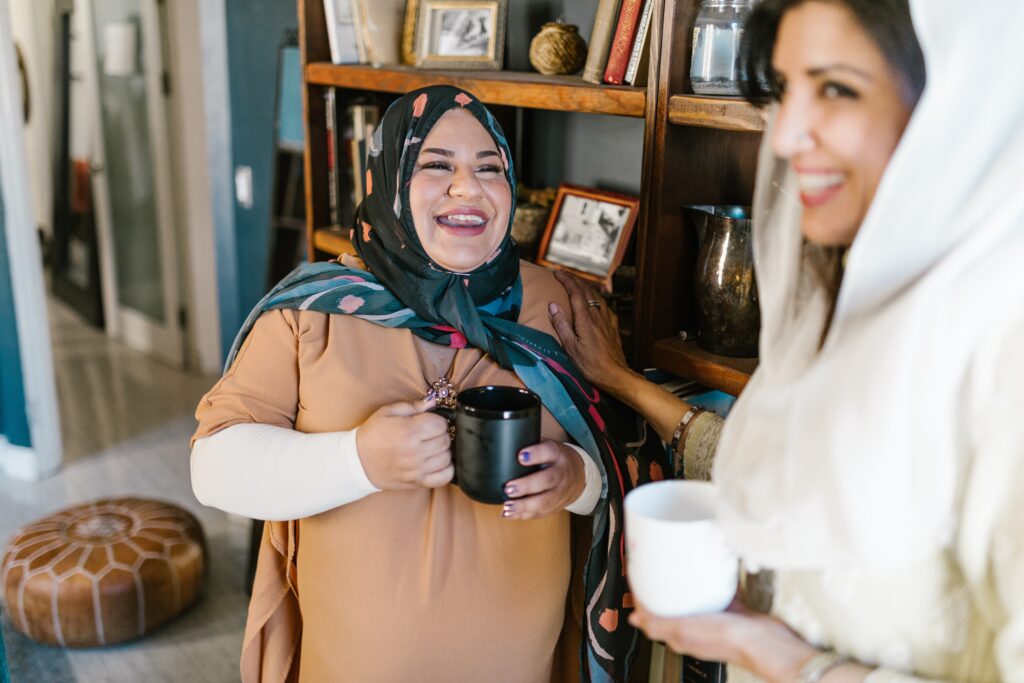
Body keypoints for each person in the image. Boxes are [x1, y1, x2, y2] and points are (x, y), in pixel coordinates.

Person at [549, 0, 1024, 680]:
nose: (787, 133)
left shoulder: (1007, 344)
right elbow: (780, 462)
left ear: (961, 98)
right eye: (783, 90)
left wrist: (781, 656)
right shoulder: (848, 305)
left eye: (836, 88)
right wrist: (621, 381)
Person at [190, 85, 662, 682]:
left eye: (489, 168)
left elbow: (629, 463)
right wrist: (358, 459)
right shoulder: (311, 311)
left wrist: (578, 480)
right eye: (435, 165)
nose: (468, 187)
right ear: (386, 183)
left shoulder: (561, 307)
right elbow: (212, 468)